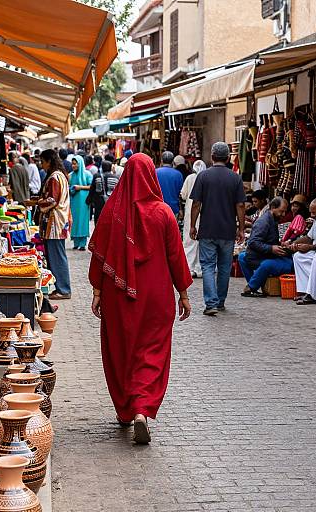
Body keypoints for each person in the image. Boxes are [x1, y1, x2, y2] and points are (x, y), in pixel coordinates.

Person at [88, 153, 192, 444]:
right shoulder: (164, 213)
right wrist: (183, 293)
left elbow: (100, 255)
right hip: (157, 298)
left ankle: (126, 409)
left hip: (118, 297)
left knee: (121, 350)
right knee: (152, 352)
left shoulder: (112, 212)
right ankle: (141, 411)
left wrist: (97, 291)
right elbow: (176, 257)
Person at [190, 142, 246, 315]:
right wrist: (241, 228)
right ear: (228, 158)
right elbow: (241, 205)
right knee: (224, 267)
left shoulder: (203, 176)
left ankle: (211, 303)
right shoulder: (235, 178)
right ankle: (220, 301)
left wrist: (193, 225)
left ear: (212, 157)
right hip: (227, 230)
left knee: (207, 266)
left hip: (207, 229)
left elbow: (196, 204)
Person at [238, 197, 292, 297]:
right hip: (261, 256)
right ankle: (252, 287)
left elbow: (268, 240)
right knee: (266, 264)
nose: (283, 214)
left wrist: (280, 244)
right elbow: (253, 242)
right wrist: (271, 248)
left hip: (261, 255)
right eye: (281, 211)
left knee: (244, 257)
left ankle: (254, 285)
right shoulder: (264, 222)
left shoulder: (272, 219)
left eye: (285, 212)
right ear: (273, 207)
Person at [38, 149, 72, 300]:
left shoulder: (54, 177)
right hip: (59, 222)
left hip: (55, 224)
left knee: (57, 256)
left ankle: (63, 289)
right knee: (56, 255)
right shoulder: (60, 175)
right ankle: (60, 287)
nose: (42, 165)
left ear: (49, 161)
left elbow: (52, 200)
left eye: (42, 162)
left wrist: (37, 202)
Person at [180, 159, 206, 278]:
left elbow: (184, 195)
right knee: (201, 240)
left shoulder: (190, 178)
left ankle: (189, 267)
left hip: (191, 212)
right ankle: (199, 268)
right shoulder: (206, 178)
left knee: (189, 240)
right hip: (203, 212)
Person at [69, 155, 93, 250]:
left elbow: (91, 186)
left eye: (75, 164)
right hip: (74, 201)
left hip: (84, 202)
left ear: (80, 164)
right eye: (72, 163)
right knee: (75, 220)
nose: (73, 165)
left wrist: (80, 187)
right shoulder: (71, 175)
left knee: (82, 220)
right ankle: (76, 242)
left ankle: (82, 243)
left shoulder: (87, 174)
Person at [87, 160, 120, 224]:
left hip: (99, 202)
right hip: (111, 202)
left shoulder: (97, 176)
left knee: (98, 219)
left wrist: (88, 201)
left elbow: (92, 189)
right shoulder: (116, 177)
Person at [156, 151, 184, 216]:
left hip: (158, 208)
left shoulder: (155, 172)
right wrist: (181, 209)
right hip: (173, 209)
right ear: (172, 162)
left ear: (162, 161)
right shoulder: (178, 174)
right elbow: (180, 194)